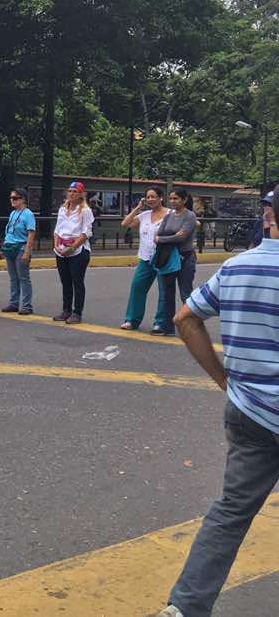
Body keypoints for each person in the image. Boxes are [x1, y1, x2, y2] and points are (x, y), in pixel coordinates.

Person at [158, 200, 279, 617]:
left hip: (249, 412)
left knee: (230, 513)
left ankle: (184, 608)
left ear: (272, 216)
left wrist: (225, 381)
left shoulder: (238, 266)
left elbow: (186, 318)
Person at [119, 186, 169, 332]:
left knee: (164, 291)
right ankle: (131, 320)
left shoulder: (170, 214)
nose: (150, 199)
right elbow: (125, 224)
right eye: (148, 197)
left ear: (161, 198)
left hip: (163, 259)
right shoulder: (144, 215)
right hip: (146, 258)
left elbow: (193, 223)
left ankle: (160, 322)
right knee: (137, 287)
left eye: (154, 196)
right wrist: (138, 208)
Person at [155, 188, 199, 337]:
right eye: (171, 199)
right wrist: (170, 236)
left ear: (184, 200)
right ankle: (168, 327)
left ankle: (193, 328)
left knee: (185, 294)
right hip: (169, 259)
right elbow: (159, 233)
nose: (173, 202)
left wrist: (164, 239)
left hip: (185, 259)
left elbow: (182, 238)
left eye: (176, 199)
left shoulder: (190, 216)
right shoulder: (168, 216)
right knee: (167, 293)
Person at [52, 180, 94, 324]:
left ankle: (77, 312)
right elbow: (57, 229)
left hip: (78, 250)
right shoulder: (63, 209)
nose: (71, 194)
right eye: (70, 191)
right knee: (65, 281)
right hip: (61, 250)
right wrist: (57, 245)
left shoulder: (85, 211)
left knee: (77, 281)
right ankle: (66, 310)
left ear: (81, 194)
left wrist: (72, 248)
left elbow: (86, 233)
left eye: (75, 191)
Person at [1, 189, 36, 315]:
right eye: (11, 198)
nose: (12, 200)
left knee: (24, 278)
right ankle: (13, 303)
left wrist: (27, 252)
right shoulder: (13, 213)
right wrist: (3, 247)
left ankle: (27, 306)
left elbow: (31, 234)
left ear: (23, 199)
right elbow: (9, 231)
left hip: (21, 248)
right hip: (10, 247)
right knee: (13, 278)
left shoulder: (28, 214)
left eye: (15, 198)